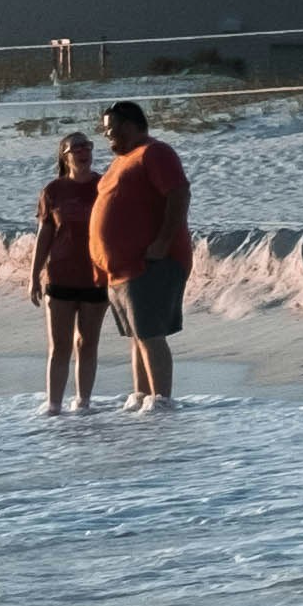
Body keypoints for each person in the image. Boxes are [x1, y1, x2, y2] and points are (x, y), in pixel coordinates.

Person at [89, 95, 194, 408]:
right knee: (137, 336)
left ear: (132, 126)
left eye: (112, 130)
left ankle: (161, 401)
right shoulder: (123, 158)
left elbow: (179, 194)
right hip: (120, 269)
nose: (107, 136)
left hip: (149, 263)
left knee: (149, 333)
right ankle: (142, 396)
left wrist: (162, 241)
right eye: (105, 131)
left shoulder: (155, 152)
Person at [28, 130, 106, 412]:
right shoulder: (53, 191)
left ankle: (83, 403)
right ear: (65, 155)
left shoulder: (105, 185)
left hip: (96, 276)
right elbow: (44, 234)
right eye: (76, 148)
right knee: (59, 346)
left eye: (87, 146)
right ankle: (53, 407)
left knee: (87, 343)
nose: (84, 151)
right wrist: (34, 275)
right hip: (60, 275)